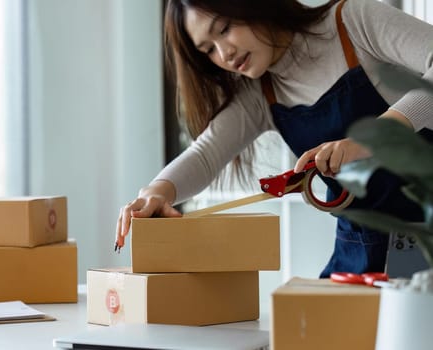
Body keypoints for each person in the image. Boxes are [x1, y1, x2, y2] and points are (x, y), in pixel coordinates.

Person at [115, 0, 433, 278]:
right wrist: (156, 191)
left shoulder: (354, 22)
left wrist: (377, 137)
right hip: (361, 253)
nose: (224, 53)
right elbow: (205, 154)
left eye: (224, 28)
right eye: (208, 49)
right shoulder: (260, 94)